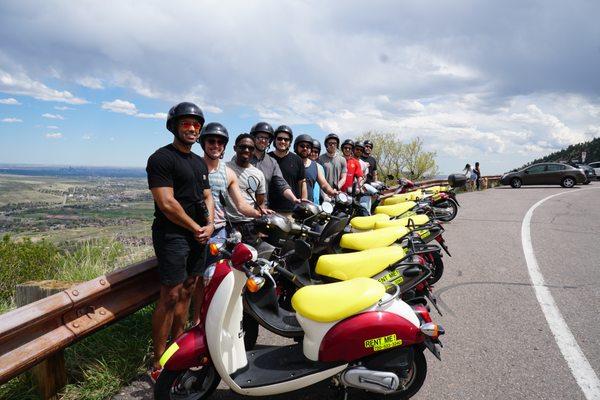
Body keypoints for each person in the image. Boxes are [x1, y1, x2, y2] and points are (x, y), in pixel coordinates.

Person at [146, 102, 214, 381]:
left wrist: (209, 224)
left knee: (188, 289)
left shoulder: (198, 161)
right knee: (170, 295)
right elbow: (166, 203)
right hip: (172, 234)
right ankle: (159, 361)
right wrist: (197, 226)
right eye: (186, 123)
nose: (192, 128)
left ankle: (177, 349)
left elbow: (207, 196)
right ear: (174, 126)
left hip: (198, 232)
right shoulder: (161, 158)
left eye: (196, 124)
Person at [195, 122, 263, 324]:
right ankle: (196, 323)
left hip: (218, 233)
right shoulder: (194, 166)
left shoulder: (228, 173)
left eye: (219, 142)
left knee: (214, 280)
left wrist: (260, 213)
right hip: (195, 231)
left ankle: (211, 322)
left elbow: (241, 205)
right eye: (211, 141)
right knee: (195, 281)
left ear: (224, 146)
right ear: (204, 143)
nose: (215, 145)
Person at [227, 133, 270, 244]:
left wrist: (260, 225)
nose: (246, 150)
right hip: (227, 224)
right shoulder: (224, 168)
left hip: (249, 226)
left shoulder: (258, 174)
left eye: (250, 148)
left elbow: (260, 203)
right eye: (242, 147)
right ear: (235, 148)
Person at [248, 122, 301, 208]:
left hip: (262, 210)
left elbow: (281, 184)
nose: (263, 140)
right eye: (260, 137)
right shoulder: (243, 157)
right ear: (253, 138)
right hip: (242, 211)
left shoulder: (272, 162)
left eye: (266, 138)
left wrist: (294, 199)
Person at [268, 125, 307, 216]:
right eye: (279, 138)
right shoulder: (266, 158)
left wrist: (303, 204)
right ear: (274, 140)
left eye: (286, 139)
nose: (283, 141)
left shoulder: (297, 160)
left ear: (290, 142)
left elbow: (302, 183)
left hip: (291, 211)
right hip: (270, 211)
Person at [293, 134, 337, 204]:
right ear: (296, 147)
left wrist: (333, 192)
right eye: (302, 146)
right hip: (290, 206)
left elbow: (324, 184)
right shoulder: (290, 163)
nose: (305, 148)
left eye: (308, 147)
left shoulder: (315, 166)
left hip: (308, 207)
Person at [309, 139, 327, 204]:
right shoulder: (302, 165)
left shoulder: (320, 167)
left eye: (316, 152)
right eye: (311, 151)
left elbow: (322, 185)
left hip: (316, 203)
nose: (313, 153)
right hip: (304, 202)